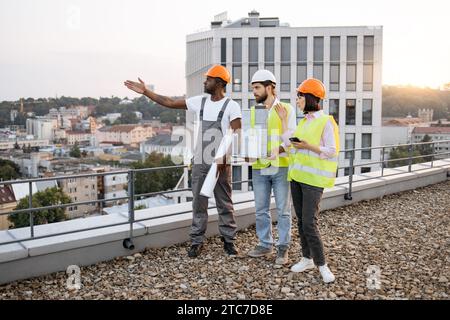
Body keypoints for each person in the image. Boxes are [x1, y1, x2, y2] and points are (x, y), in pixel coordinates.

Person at [124, 65, 242, 258]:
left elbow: (236, 133)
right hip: (200, 162)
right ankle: (196, 241)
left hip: (221, 162)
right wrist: (146, 92)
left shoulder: (231, 106)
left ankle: (229, 241)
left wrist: (223, 160)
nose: (205, 82)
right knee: (198, 203)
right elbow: (169, 102)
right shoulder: (200, 102)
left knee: (224, 202)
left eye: (209, 79)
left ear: (219, 83)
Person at [276, 78, 340, 283]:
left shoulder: (326, 121)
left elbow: (332, 151)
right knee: (302, 222)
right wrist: (284, 120)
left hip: (313, 181)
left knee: (310, 223)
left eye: (300, 96)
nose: (297, 100)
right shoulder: (304, 122)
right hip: (296, 178)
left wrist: (308, 146)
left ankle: (323, 265)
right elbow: (289, 144)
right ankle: (306, 258)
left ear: (311, 98)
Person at [246, 70, 296, 265]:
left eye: (257, 88)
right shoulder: (252, 112)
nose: (254, 92)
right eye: (253, 89)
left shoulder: (287, 110)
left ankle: (283, 247)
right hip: (259, 167)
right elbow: (250, 138)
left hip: (281, 167)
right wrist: (247, 153)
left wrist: (280, 149)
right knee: (260, 209)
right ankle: (265, 244)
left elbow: (291, 139)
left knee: (283, 210)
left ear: (270, 87)